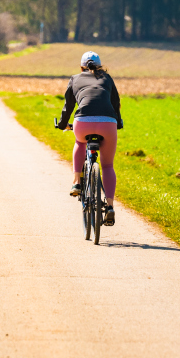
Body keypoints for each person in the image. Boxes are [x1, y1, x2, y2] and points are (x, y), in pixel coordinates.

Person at [55, 50, 122, 226]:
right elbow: (115, 103)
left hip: (82, 122)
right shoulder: (107, 79)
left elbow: (68, 105)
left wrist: (63, 124)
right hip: (108, 123)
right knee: (107, 165)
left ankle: (77, 182)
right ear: (99, 65)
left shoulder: (75, 78)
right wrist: (118, 123)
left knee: (80, 141)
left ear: (81, 66)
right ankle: (109, 207)